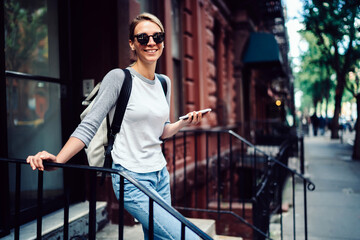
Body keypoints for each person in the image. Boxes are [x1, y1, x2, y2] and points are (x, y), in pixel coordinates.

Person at [27, 12, 204, 240]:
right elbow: (89, 126)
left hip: (160, 174)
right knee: (185, 235)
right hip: (131, 179)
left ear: (163, 41)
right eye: (143, 38)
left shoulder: (163, 82)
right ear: (132, 43)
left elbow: (161, 131)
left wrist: (182, 122)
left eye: (157, 37)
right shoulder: (118, 78)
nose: (151, 43)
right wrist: (59, 160)